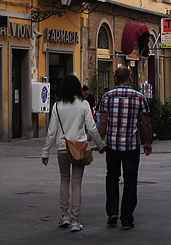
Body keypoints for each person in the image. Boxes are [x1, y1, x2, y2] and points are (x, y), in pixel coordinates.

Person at [41, 74, 105, 233]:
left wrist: (45, 152)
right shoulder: (83, 105)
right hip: (79, 147)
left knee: (64, 180)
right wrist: (101, 144)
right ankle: (75, 220)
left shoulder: (57, 106)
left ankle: (64, 216)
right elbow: (91, 128)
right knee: (76, 184)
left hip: (62, 148)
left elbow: (51, 132)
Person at [97, 67, 153, 230]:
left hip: (113, 146)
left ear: (115, 78)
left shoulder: (107, 97)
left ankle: (112, 212)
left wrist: (99, 143)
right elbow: (145, 123)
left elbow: (102, 123)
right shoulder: (139, 97)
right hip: (131, 146)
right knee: (130, 181)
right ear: (130, 77)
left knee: (112, 177)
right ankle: (127, 218)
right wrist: (147, 142)